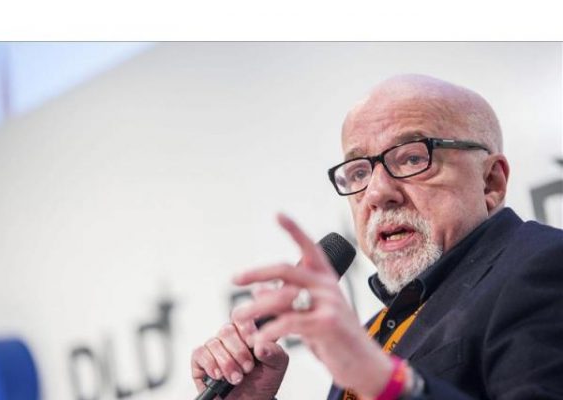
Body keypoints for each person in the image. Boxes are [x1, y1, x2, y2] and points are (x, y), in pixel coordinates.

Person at [190, 74, 563, 400]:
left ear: (490, 182)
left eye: (412, 158)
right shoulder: (373, 332)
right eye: (358, 172)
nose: (377, 192)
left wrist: (386, 383)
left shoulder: (545, 265)